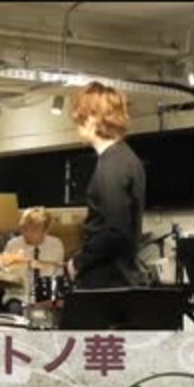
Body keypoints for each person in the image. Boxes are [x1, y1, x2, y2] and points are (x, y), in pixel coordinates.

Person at [65, 81, 146, 288]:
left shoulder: (112, 165)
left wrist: (79, 262)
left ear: (93, 118)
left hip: (107, 279)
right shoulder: (126, 158)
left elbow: (115, 230)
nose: (77, 125)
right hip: (118, 275)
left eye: (81, 117)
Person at [2, 206, 65, 310]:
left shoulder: (56, 245)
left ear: (45, 231)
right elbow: (5, 278)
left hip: (47, 297)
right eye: (24, 228)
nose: (26, 233)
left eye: (33, 230)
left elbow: (58, 275)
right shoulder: (13, 245)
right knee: (15, 309)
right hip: (19, 296)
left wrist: (54, 298)